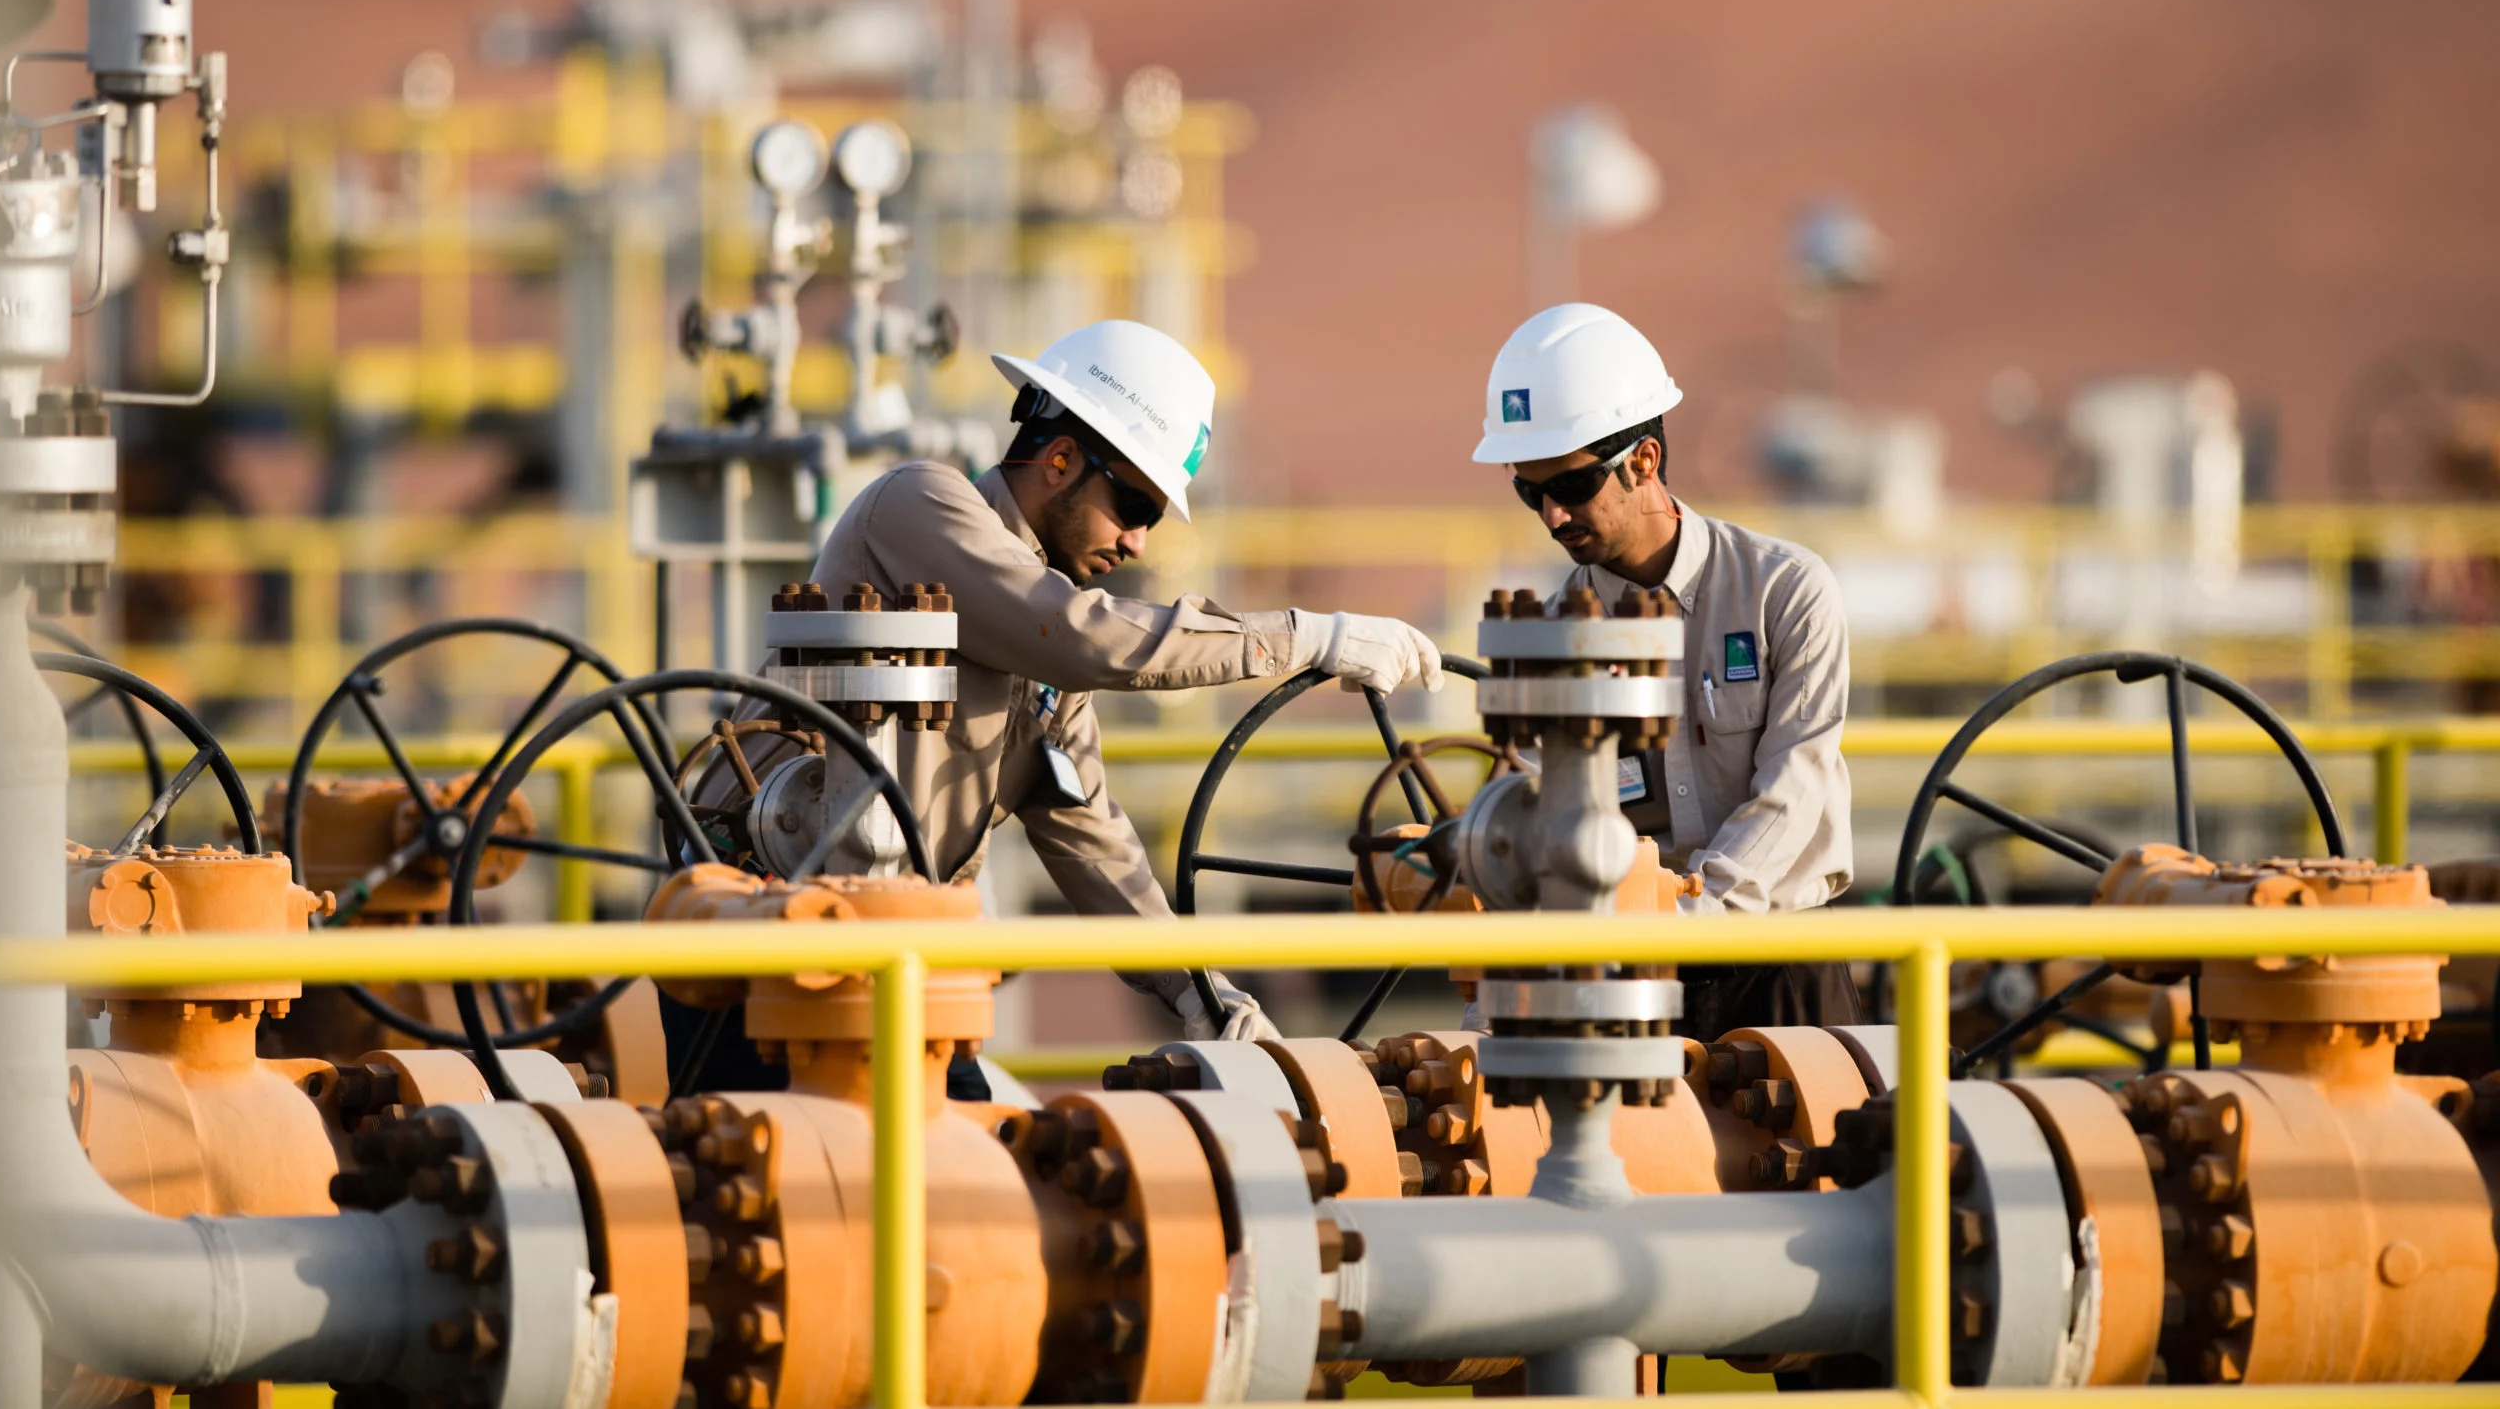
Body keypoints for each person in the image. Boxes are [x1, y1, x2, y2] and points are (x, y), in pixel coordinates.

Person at [711, 318, 1444, 1053]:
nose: (1138, 542)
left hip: (891, 968)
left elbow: (1089, 835)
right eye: (1135, 508)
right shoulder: (919, 505)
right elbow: (1082, 637)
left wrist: (1199, 990)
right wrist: (1306, 637)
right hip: (754, 947)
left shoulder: (1046, 654)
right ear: (1060, 458)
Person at [1473, 302, 1856, 1037]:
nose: (1552, 515)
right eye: (1529, 490)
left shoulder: (1786, 591)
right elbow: (1530, 818)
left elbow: (1796, 784)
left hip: (1784, 962)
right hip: (1632, 975)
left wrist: (1693, 913)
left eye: (1572, 487)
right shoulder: (1548, 640)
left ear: (1644, 460)